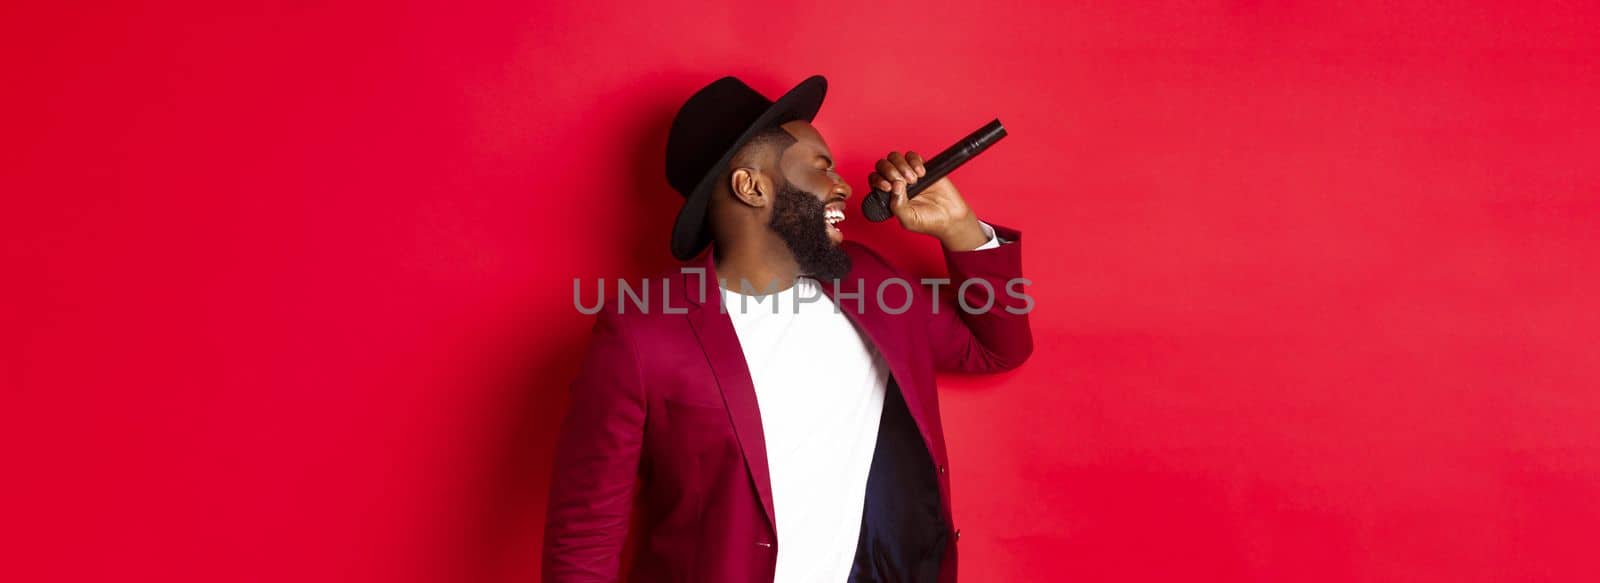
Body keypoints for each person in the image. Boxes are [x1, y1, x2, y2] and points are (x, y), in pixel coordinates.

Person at [542, 74, 1033, 583]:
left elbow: (997, 347)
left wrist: (958, 228)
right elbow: (584, 540)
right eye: (822, 168)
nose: (843, 184)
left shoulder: (869, 283)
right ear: (751, 186)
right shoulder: (642, 337)